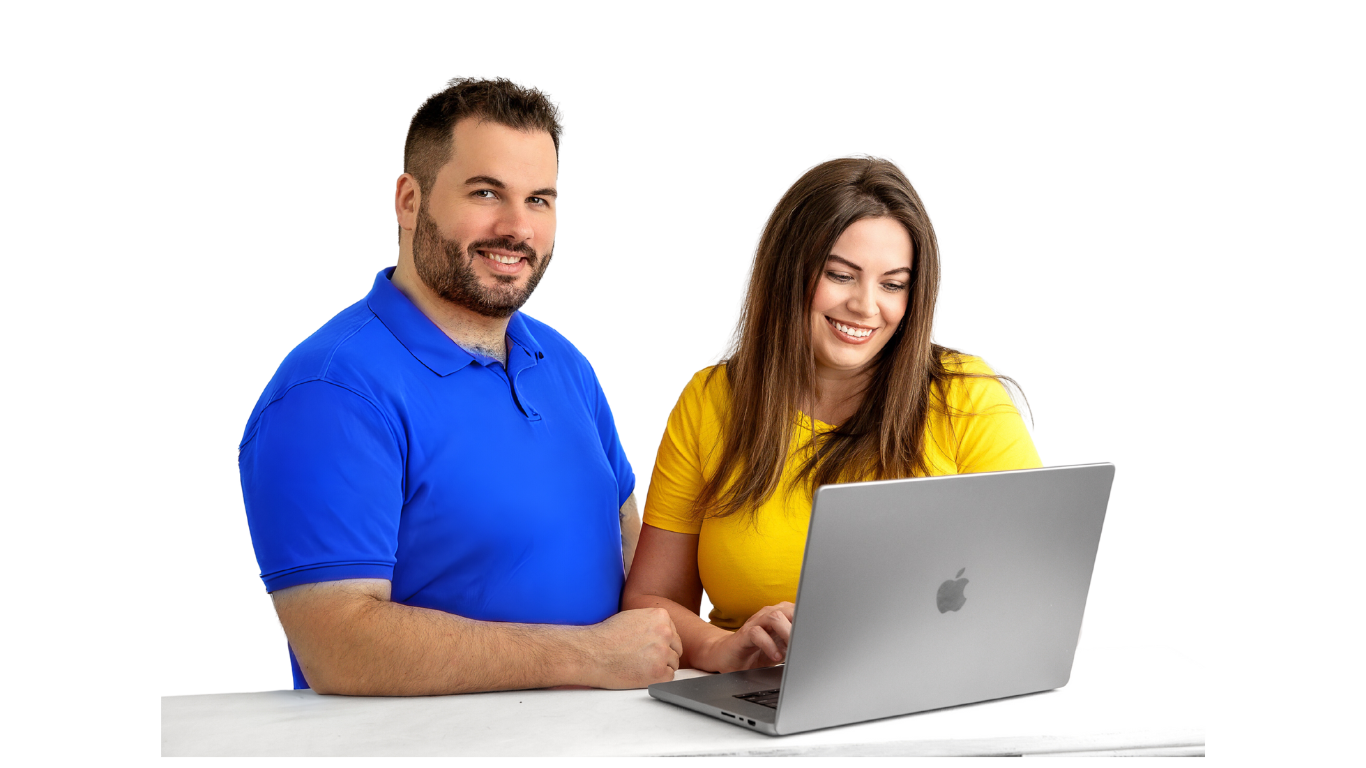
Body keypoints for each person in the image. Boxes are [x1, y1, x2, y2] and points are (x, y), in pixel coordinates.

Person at [237, 75, 681, 695]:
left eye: (539, 200)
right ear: (408, 200)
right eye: (486, 192)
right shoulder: (331, 391)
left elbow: (635, 563)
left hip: (606, 731)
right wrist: (588, 657)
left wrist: (723, 644)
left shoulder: (563, 361)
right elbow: (337, 646)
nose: (517, 228)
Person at [622, 153, 1046, 674]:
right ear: (787, 273)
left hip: (935, 686)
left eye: (893, 284)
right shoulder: (712, 399)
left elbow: (1040, 586)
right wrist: (718, 648)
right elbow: (651, 600)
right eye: (841, 275)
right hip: (757, 690)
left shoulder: (967, 398)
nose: (866, 306)